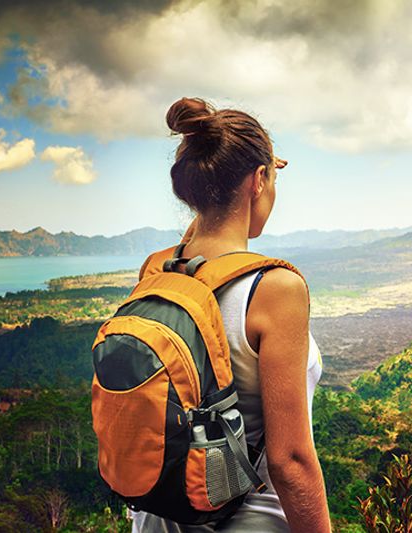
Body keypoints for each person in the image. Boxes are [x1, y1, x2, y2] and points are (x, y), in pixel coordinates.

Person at [131, 97, 332, 533]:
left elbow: (201, 242)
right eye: (271, 179)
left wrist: (241, 171)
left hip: (155, 522)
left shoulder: (157, 270)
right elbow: (289, 460)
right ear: (259, 180)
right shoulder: (275, 289)